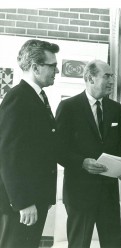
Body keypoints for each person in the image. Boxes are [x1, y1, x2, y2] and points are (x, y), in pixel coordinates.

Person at [56, 60, 121, 248]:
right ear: (90, 78)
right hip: (80, 193)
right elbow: (59, 150)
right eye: (107, 76)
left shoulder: (115, 108)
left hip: (108, 193)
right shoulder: (68, 107)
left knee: (113, 244)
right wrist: (82, 162)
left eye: (112, 76)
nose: (112, 81)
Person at [0, 39, 60, 248]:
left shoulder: (37, 97)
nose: (57, 70)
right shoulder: (18, 97)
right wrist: (23, 202)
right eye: (52, 65)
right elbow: (8, 155)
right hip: (24, 203)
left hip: (35, 198)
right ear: (35, 67)